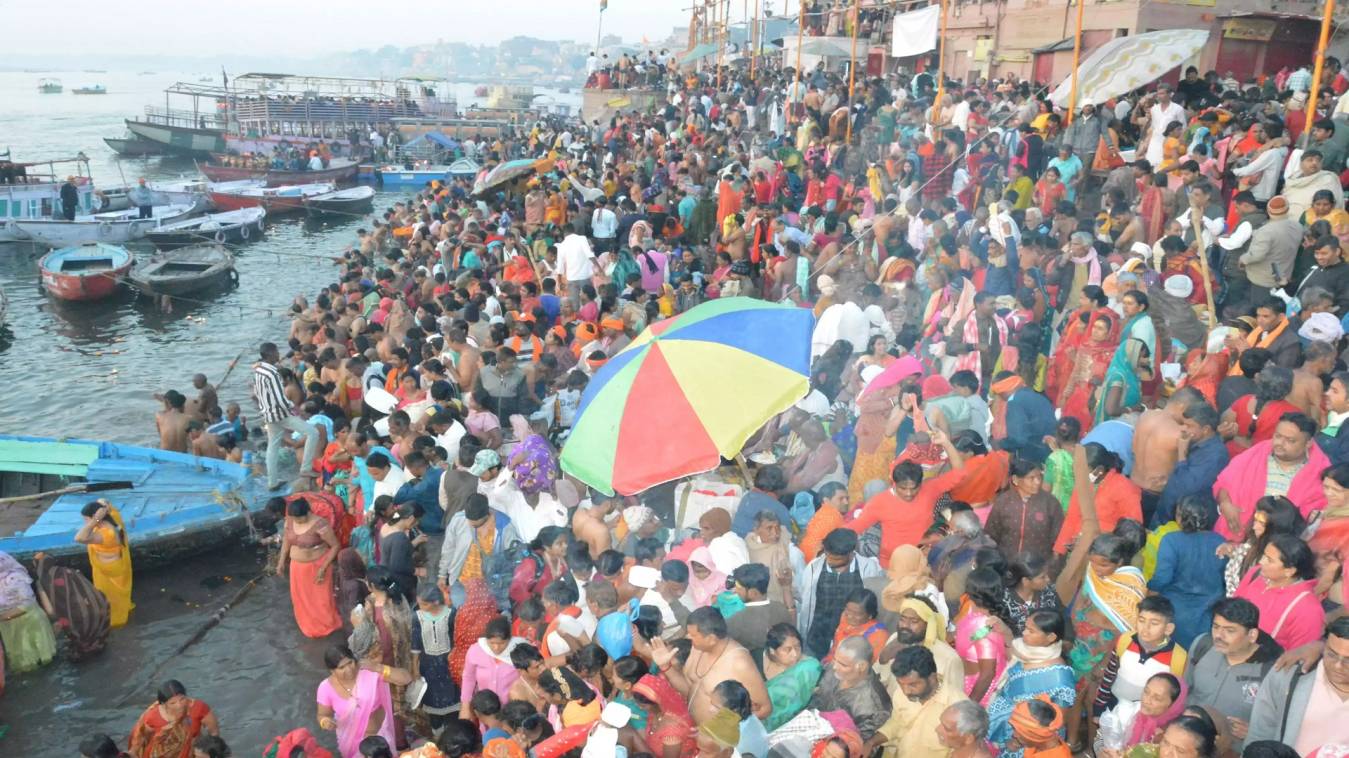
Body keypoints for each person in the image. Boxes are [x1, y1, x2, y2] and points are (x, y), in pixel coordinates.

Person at [1184, 597, 1282, 753]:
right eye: (1216, 627)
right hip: (1189, 745)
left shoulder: (1273, 671)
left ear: (1251, 635)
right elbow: (1184, 690)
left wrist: (1254, 732)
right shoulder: (1202, 646)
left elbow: (1280, 723)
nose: (1219, 636)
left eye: (1230, 630)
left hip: (1232, 751)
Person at [651, 605, 770, 722]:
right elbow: (690, 688)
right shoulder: (697, 648)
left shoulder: (739, 663)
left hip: (721, 739)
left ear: (711, 639)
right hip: (700, 731)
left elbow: (764, 709)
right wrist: (665, 666)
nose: (688, 637)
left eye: (693, 635)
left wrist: (717, 734)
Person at [1247, 616, 1349, 750]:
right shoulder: (1289, 675)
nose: (1337, 665)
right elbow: (1260, 730)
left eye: (1348, 660)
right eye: (1332, 654)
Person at [986, 610, 1076, 753]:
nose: (1024, 633)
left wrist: (1018, 740)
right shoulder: (1026, 650)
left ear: (1051, 637)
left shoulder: (1059, 678)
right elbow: (1013, 659)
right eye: (1025, 627)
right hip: (1005, 729)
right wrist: (1005, 631)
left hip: (1026, 742)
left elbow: (1055, 722)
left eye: (1031, 631)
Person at [1149, 497, 1227, 648]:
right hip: (1208, 615)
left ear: (1179, 517)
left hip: (1175, 613)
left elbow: (1162, 578)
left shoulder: (1171, 540)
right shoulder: (1220, 541)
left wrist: (1149, 597)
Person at [795, 528, 883, 659]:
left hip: (852, 639)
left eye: (836, 558)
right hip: (818, 637)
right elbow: (805, 602)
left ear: (850, 553)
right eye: (828, 555)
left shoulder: (869, 569)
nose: (830, 561)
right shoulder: (814, 568)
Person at [867, 645, 970, 757]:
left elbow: (961, 751)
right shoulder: (901, 693)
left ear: (932, 678)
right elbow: (897, 722)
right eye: (901, 684)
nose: (906, 691)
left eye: (913, 685)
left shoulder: (958, 708)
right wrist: (870, 743)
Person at [1232, 533, 1325, 652]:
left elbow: (1298, 657)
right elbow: (1233, 607)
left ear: (1289, 571)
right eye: (1264, 555)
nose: (1261, 561)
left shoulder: (1307, 609)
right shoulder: (1256, 574)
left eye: (1269, 560)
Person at [316, 644, 411, 758]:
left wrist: (378, 667)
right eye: (342, 668)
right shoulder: (325, 688)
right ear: (332, 671)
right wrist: (325, 722)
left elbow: (406, 678)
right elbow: (323, 714)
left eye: (350, 663)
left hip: (380, 737)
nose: (349, 669)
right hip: (351, 742)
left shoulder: (368, 672)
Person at [253, 341, 319, 491]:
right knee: (312, 432)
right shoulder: (273, 373)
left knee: (273, 447)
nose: (278, 354)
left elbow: (258, 393)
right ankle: (305, 468)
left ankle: (272, 482)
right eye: (276, 352)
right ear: (270, 354)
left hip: (268, 415)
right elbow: (280, 398)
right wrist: (297, 410)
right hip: (280, 414)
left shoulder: (259, 370)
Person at [276, 496, 343, 638]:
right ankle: (308, 626)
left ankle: (327, 628)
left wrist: (323, 568)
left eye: (299, 519)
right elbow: (286, 542)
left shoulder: (320, 525)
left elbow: (335, 546)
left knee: (321, 600)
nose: (297, 522)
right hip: (297, 568)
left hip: (317, 566)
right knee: (301, 599)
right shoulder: (290, 521)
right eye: (294, 519)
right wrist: (281, 561)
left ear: (308, 513)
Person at [806, 635, 894, 741]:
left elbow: (854, 744)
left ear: (861, 666)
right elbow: (816, 695)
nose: (834, 666)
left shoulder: (874, 706)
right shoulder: (834, 669)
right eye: (835, 659)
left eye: (842, 664)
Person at [32, 551, 109, 660]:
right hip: (101, 606)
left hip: (78, 615)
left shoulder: (43, 581)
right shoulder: (71, 571)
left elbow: (50, 611)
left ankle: (83, 650)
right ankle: (98, 645)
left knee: (71, 620)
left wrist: (56, 624)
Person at [986, 458, 1063, 561]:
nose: (1037, 482)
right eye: (1031, 478)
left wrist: (1052, 569)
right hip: (1007, 563)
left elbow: (1059, 540)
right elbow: (991, 534)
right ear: (1015, 479)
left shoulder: (1050, 503)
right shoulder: (1003, 502)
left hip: (1038, 567)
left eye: (1039, 477)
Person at [74, 498, 134, 627]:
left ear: (95, 517)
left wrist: (94, 521)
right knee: (115, 598)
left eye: (86, 519)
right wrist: (103, 509)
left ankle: (113, 622)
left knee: (110, 600)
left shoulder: (106, 535)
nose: (85, 523)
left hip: (109, 572)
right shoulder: (114, 517)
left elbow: (79, 538)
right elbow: (102, 500)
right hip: (115, 566)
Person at [756, 622, 823, 730]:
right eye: (787, 649)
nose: (795, 654)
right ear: (772, 651)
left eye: (797, 647)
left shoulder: (807, 669)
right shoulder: (756, 662)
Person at [128, 680, 220, 758]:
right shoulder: (152, 716)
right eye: (173, 703)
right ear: (163, 704)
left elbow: (214, 733)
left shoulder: (199, 709)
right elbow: (140, 740)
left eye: (182, 699)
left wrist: (207, 751)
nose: (179, 705)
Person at [0, 550, 57, 673]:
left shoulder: (16, 578)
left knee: (41, 657)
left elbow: (26, 605)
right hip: (10, 626)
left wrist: (4, 617)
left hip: (29, 622)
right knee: (23, 662)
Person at [460, 615, 523, 719]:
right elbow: (468, 678)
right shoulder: (476, 650)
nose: (496, 648)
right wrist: (465, 707)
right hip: (485, 711)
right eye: (492, 643)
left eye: (502, 643)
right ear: (486, 639)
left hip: (512, 711)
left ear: (510, 639)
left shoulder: (519, 651)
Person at [630, 673, 697, 757]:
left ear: (657, 703)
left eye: (643, 705)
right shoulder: (656, 713)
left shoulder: (672, 732)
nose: (639, 707)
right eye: (637, 703)